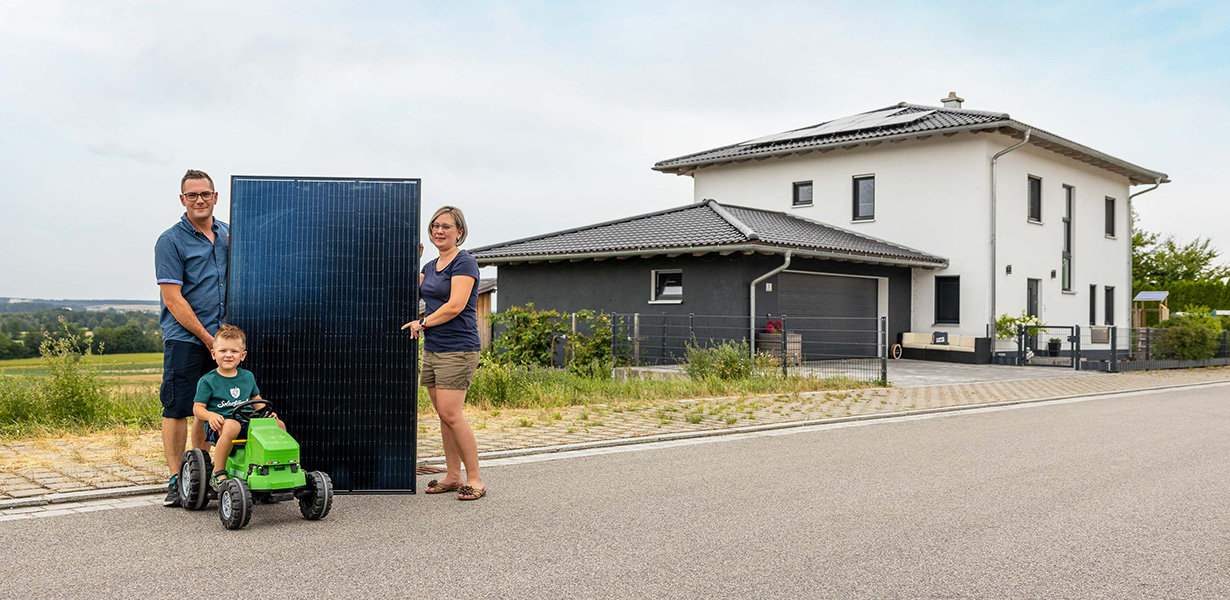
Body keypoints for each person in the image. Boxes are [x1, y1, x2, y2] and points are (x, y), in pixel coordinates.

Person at [154, 169, 229, 507]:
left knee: (207, 407)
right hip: (185, 339)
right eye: (192, 195)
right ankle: (175, 478)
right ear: (182, 200)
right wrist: (206, 337)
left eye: (205, 194)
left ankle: (199, 476)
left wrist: (222, 339)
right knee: (178, 407)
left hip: (222, 338)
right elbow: (173, 298)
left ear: (215, 197)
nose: (199, 200)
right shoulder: (170, 241)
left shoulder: (229, 235)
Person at [403, 206, 486, 500]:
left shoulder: (464, 263)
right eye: (435, 226)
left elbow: (455, 305)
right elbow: (409, 293)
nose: (439, 231)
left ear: (459, 233)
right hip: (435, 348)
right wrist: (413, 259)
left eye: (446, 227)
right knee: (443, 415)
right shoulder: (430, 266)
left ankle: (475, 479)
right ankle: (453, 476)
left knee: (452, 414)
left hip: (458, 348)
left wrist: (423, 323)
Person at [192, 325, 285, 491]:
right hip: (220, 425)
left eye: (234, 351)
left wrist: (268, 415)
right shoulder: (208, 381)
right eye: (223, 351)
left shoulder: (247, 377)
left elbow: (257, 401)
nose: (228, 355)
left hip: (247, 422)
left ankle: (280, 466)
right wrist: (211, 416)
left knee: (279, 425)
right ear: (214, 354)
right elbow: (197, 409)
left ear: (242, 356)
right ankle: (218, 472)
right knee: (231, 425)